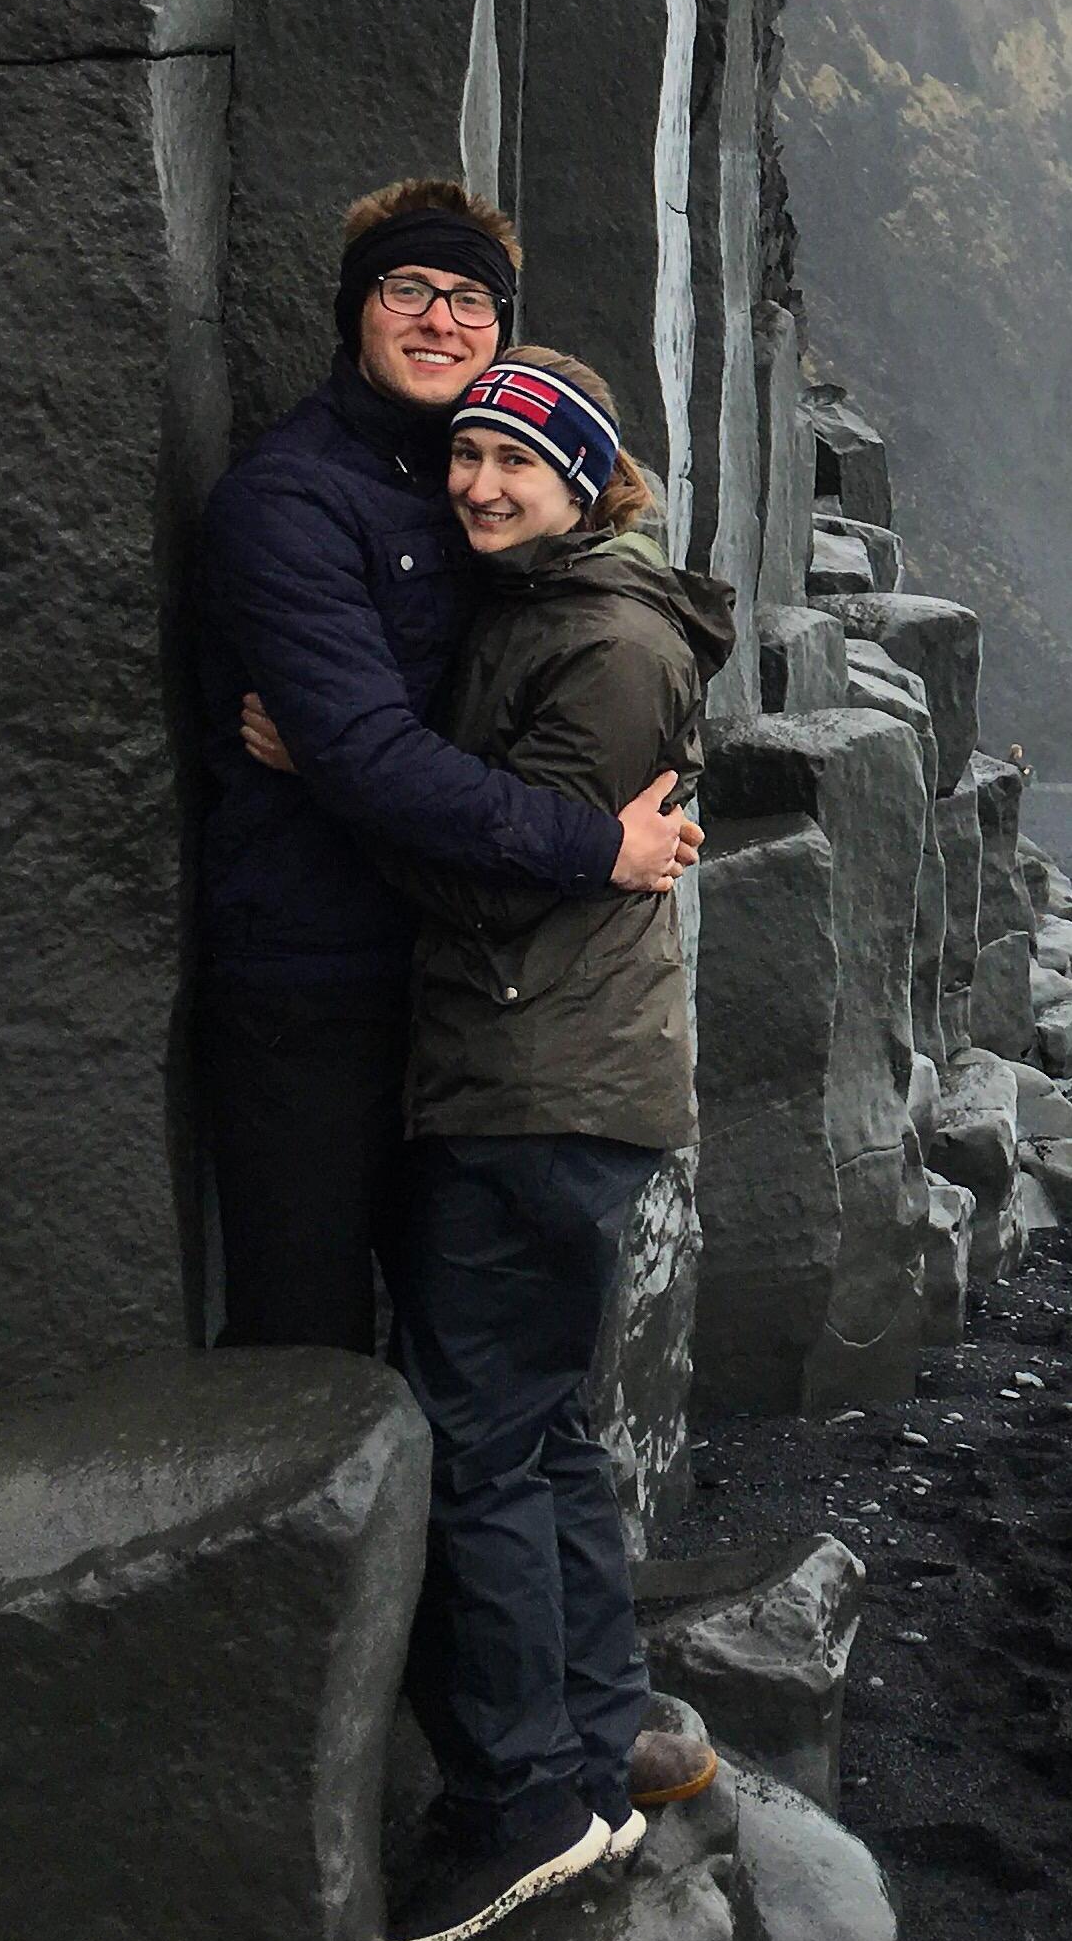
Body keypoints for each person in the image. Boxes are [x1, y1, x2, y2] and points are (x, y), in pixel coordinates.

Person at [362, 348, 738, 1941]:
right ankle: (606, 1741)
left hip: (533, 1081)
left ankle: (527, 1804)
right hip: (559, 1074)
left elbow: (498, 880)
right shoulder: (558, 604)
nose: (478, 483)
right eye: (464, 457)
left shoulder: (605, 638)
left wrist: (336, 775)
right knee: (546, 1427)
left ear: (589, 480)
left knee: (483, 1445)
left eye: (517, 461)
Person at [192, 182, 702, 1362]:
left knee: (473, 1365)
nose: (440, 318)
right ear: (355, 309)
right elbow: (372, 755)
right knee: (308, 1349)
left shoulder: (485, 491)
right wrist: (599, 846)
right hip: (310, 993)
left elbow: (597, 665)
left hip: (472, 999)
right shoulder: (289, 503)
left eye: (472, 297)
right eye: (408, 288)